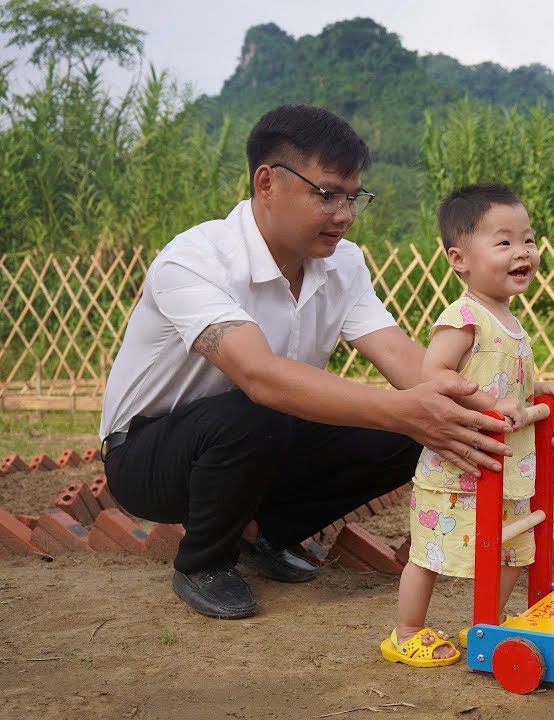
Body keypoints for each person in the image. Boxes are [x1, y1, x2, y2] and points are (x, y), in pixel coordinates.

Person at [99, 105, 525, 621]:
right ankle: (204, 561)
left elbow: (400, 356)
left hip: (264, 435)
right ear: (267, 183)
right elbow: (258, 375)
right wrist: (407, 409)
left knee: (418, 426)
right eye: (326, 194)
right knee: (260, 409)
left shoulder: (343, 264)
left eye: (353, 196)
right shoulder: (194, 260)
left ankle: (263, 532)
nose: (344, 214)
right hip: (149, 455)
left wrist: (482, 413)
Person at [380, 183, 554, 668]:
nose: (522, 251)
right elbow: (435, 373)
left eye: (527, 239)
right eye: (503, 242)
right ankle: (406, 632)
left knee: (515, 551)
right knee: (429, 555)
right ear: (459, 259)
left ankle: (486, 622)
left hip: (506, 471)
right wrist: (490, 402)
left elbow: (510, 382)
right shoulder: (464, 316)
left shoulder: (509, 319)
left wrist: (543, 391)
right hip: (458, 471)